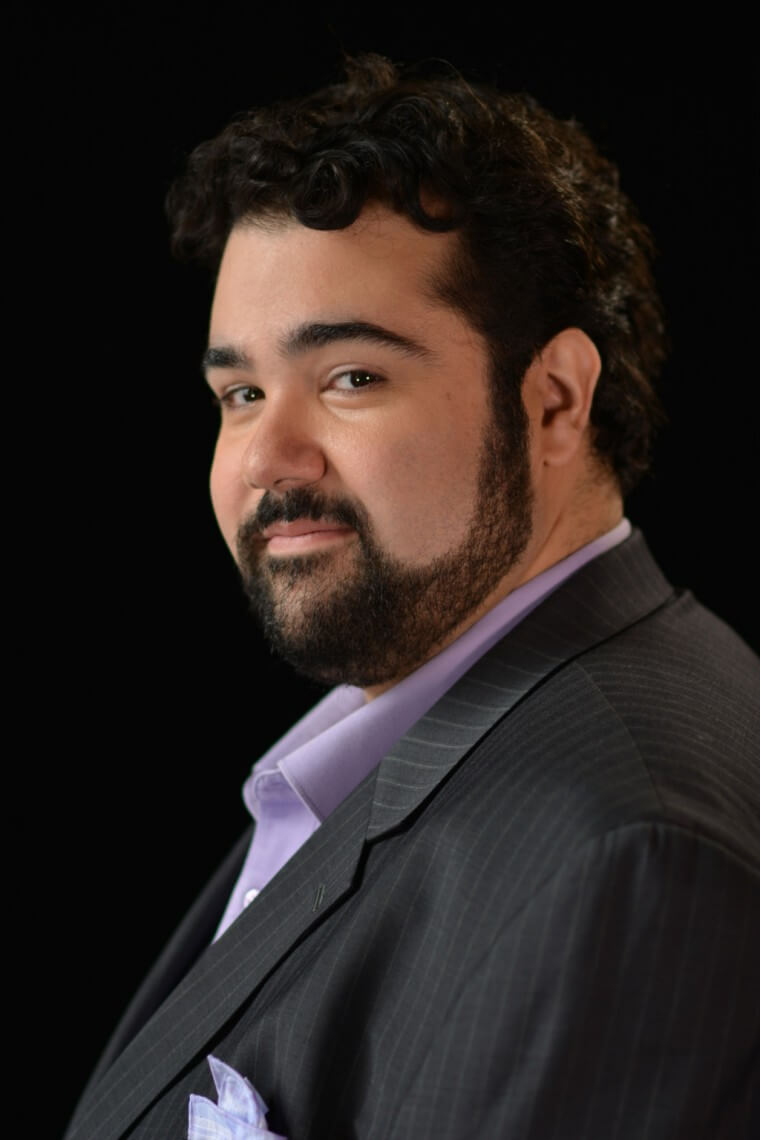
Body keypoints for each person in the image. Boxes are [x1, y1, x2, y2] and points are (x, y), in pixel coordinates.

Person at [65, 55, 759, 1140]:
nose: (266, 458)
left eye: (351, 376)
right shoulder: (429, 738)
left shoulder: (629, 852)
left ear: (555, 401)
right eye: (240, 393)